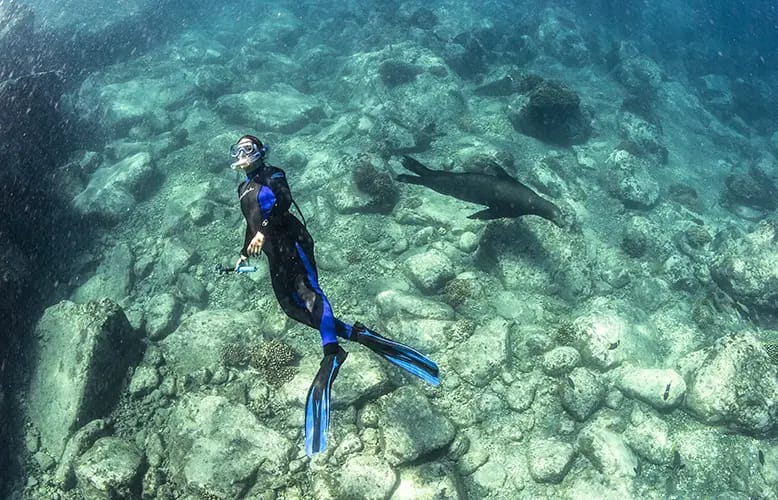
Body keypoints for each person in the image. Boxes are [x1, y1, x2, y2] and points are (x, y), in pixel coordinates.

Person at [229, 134, 440, 456]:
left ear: (260, 153)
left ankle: (332, 351)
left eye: (249, 149)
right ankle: (355, 334)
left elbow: (282, 204)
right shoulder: (242, 188)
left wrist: (263, 230)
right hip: (272, 250)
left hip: (292, 242)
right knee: (289, 307)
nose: (243, 154)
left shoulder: (274, 175)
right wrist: (245, 250)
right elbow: (251, 222)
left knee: (309, 294)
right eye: (239, 150)